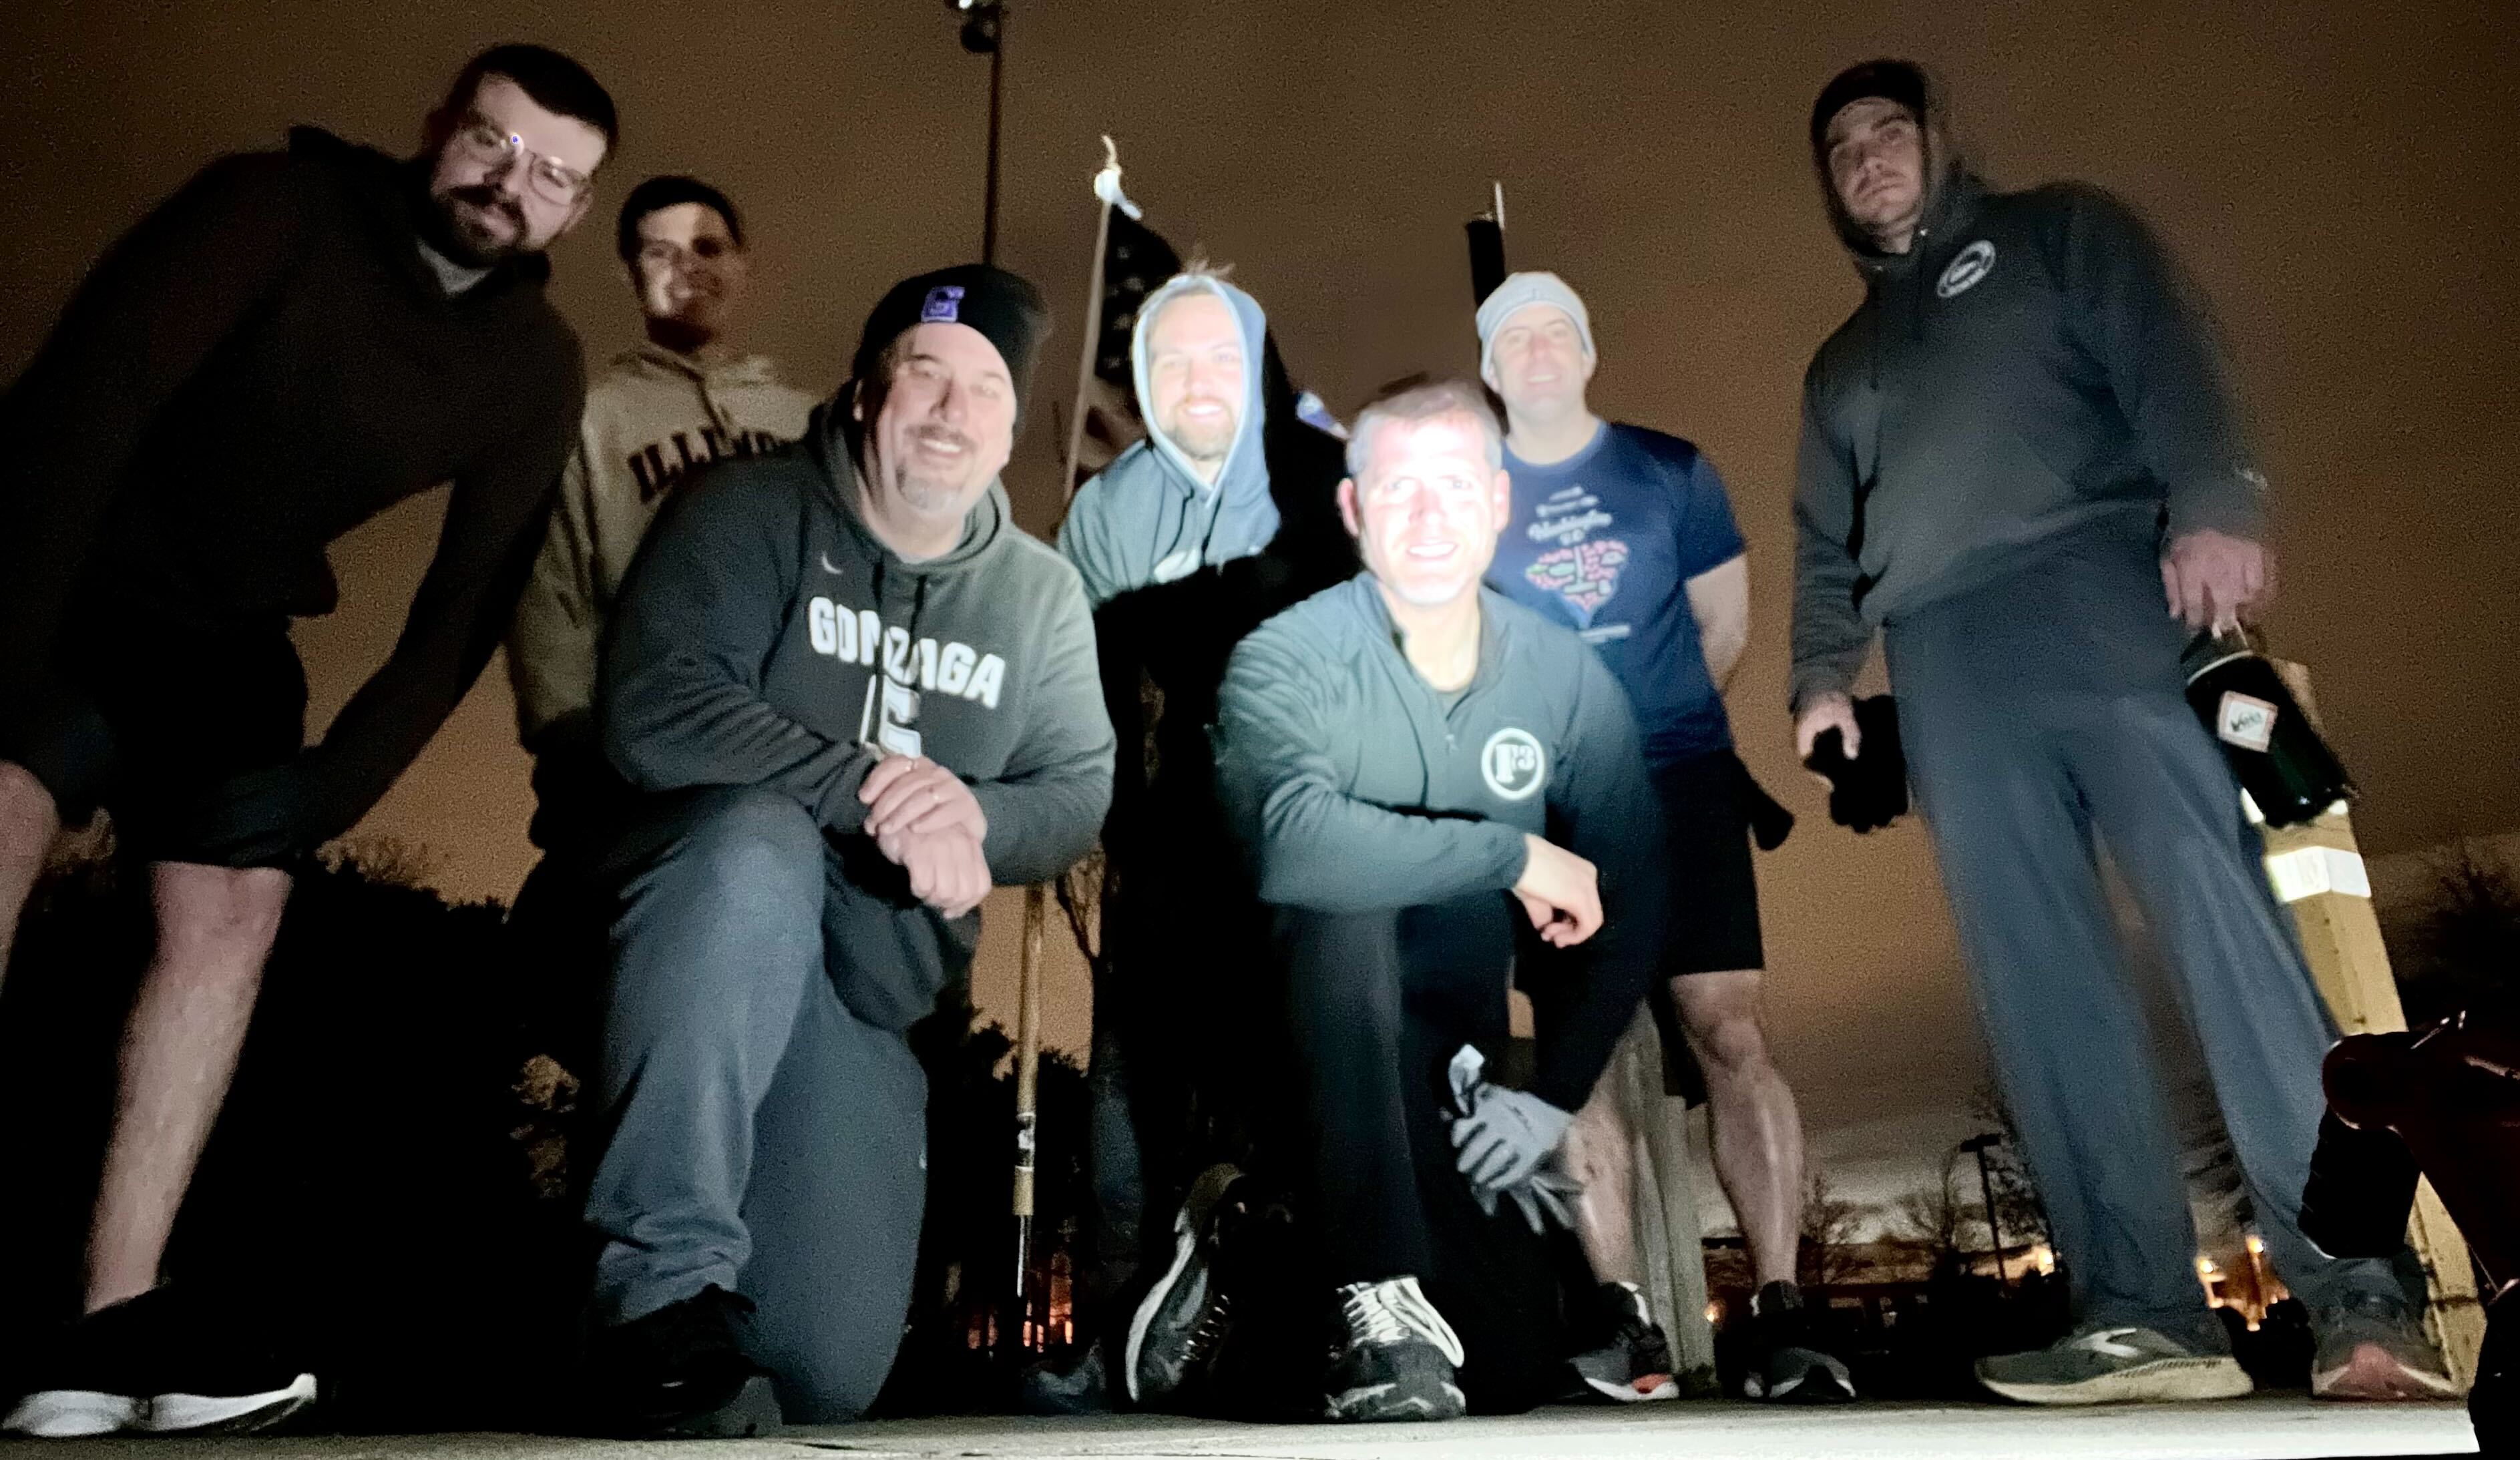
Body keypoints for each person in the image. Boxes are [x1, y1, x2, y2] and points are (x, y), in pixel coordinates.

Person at [1789, 58, 2451, 1405]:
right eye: (1842, 148)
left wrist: (2214, 499)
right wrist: (1821, 675)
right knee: (2036, 976)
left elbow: (2166, 354)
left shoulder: (2059, 232)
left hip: (2098, 589)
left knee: (2225, 920)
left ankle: (2359, 1287)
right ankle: (2141, 1308)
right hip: (1944, 658)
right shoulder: (1839, 366)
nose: (1866, 159)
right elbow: (1821, 537)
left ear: (1937, 139)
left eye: (1888, 131)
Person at [0, 45, 613, 1439]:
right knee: (5, 812)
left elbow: (466, 606)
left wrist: (336, 786)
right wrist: (10, 660)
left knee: (234, 905)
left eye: (553, 176)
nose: (509, 184)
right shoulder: (274, 209)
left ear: (576, 213)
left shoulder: (533, 364)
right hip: (68, 560)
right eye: (493, 142)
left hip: (226, 632)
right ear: (439, 126)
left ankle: (106, 1326)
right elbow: (84, 407)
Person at [576, 264, 1114, 1437]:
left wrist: (973, 817)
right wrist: (875, 789)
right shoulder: (744, 508)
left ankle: (706, 1327)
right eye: (924, 374)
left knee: (820, 1374)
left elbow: (1075, 792)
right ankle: (655, 1290)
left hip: (864, 990)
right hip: (676, 928)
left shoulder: (1039, 596)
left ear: (1009, 430)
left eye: (984, 390)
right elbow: (655, 708)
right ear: (867, 394)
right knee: (754, 842)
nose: (951, 411)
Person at [1211, 379, 1668, 1420]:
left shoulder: (1561, 675)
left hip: (1442, 1061)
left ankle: (1257, 1260)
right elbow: (1291, 846)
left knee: (1503, 1374)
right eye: (1397, 488)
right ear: (1352, 508)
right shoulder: (1286, 656)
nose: (1426, 517)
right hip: (1293, 1051)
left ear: (1499, 503)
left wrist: (1549, 1095)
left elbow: (1633, 893)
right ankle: (1358, 1279)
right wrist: (1512, 853)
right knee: (1344, 882)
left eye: (1456, 486)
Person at [1476, 270, 1852, 1403]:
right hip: (1551, 806)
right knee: (1580, 1051)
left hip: (1680, 784)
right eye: (1512, 339)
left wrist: (1652, 736)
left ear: (1587, 352)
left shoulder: (1669, 470)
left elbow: (1720, 628)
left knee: (1727, 1029)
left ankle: (1782, 1312)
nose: (1537, 351)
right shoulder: (1465, 492)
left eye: (1556, 332)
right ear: (1490, 370)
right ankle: (1622, 1319)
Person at [1051, 268, 1354, 1406]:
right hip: (1177, 813)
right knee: (1143, 1073)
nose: (1195, 379)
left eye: (1219, 354)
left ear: (1259, 366)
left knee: (1311, 1060)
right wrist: (1117, 816)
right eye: (1168, 359)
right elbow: (1085, 683)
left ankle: (1334, 1305)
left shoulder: (1332, 478)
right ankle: (1131, 1327)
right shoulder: (1107, 512)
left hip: (1327, 802)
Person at [503, 176, 814, 1058]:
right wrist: (569, 739)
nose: (688, 269)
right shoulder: (591, 418)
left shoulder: (807, 422)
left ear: (743, 265)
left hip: (802, 745)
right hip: (654, 756)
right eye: (660, 252)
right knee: (657, 1005)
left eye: (709, 248)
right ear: (629, 274)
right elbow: (548, 591)